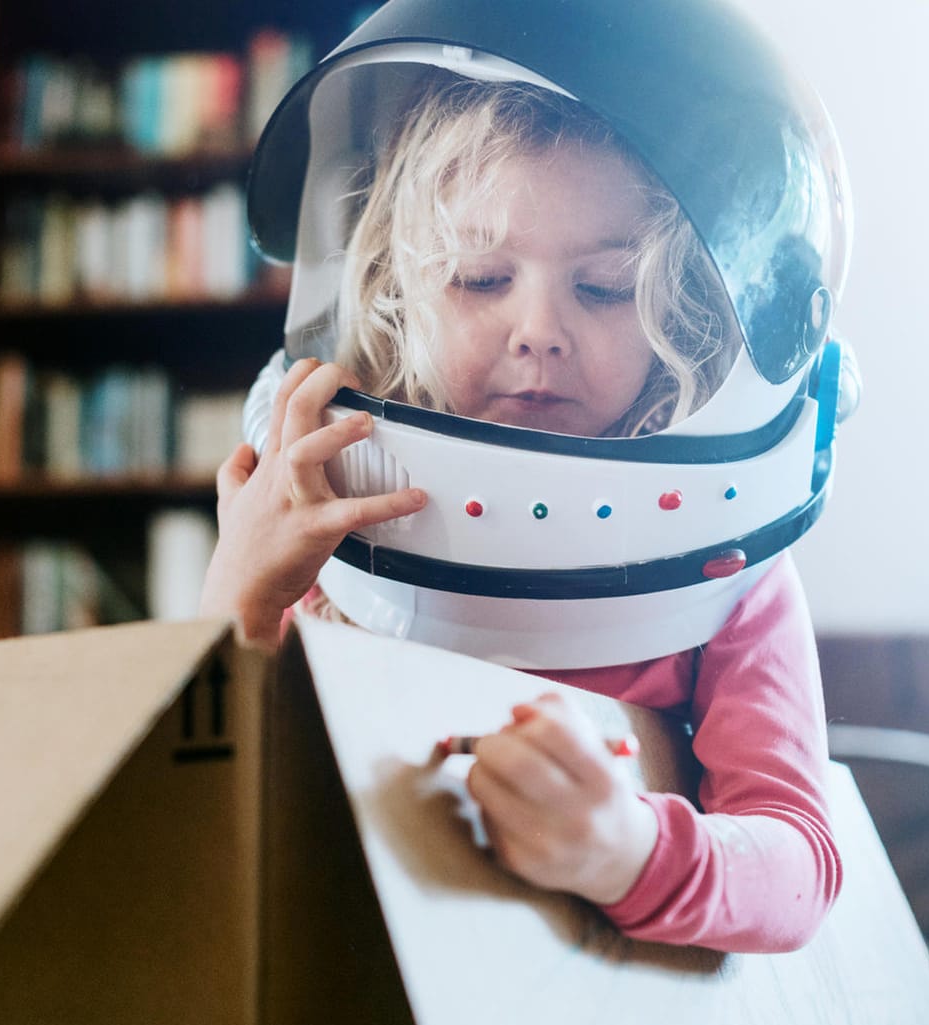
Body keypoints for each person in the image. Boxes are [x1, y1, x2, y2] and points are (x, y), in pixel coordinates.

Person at [202, 0, 855, 953]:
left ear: (692, 313)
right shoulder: (328, 518)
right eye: (477, 277)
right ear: (398, 286)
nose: (538, 330)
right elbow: (214, 789)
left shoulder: (727, 570)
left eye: (605, 288)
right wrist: (240, 593)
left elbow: (799, 870)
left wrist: (623, 851)